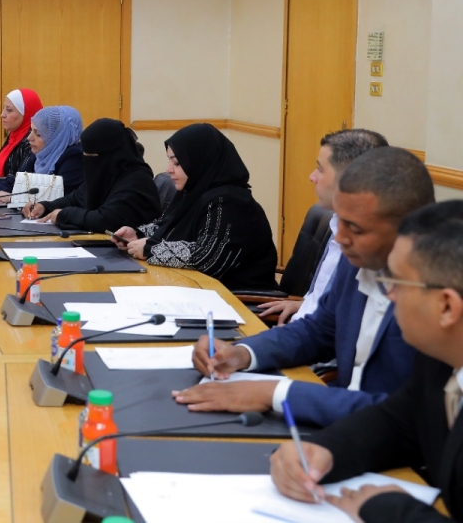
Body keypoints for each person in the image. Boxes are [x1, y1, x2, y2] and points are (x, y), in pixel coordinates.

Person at [173, 147, 433, 427]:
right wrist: (242, 353)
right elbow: (319, 330)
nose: (340, 238)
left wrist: (274, 393)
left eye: (355, 229)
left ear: (408, 229)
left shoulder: (436, 293)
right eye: (339, 221)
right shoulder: (357, 260)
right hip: (343, 425)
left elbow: (405, 414)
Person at [270, 200, 463, 522]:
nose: (389, 296)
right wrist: (325, 449)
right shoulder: (439, 361)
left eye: (397, 283)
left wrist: (387, 509)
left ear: (447, 307)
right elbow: (398, 422)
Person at [112, 123, 278, 291]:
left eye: (177, 163)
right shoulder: (195, 191)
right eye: (169, 161)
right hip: (196, 290)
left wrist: (150, 249)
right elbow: (169, 225)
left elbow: (207, 257)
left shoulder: (230, 203)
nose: (168, 170)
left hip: (236, 298)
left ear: (200, 161)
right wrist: (138, 235)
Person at [258, 129, 389, 325]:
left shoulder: (370, 249)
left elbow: (332, 327)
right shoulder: (338, 222)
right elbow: (325, 306)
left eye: (320, 169)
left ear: (351, 179)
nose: (312, 177)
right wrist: (306, 303)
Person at [23, 118, 161, 232]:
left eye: (91, 156)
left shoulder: (137, 180)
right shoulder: (106, 174)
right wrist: (45, 207)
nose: (87, 161)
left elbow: (106, 220)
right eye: (85, 155)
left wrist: (65, 214)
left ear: (111, 155)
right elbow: (77, 198)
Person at [0, 106, 84, 204]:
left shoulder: (74, 157)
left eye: (38, 134)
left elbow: (62, 196)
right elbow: (17, 181)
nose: (29, 138)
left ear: (57, 137)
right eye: (31, 131)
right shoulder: (40, 154)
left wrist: (14, 198)